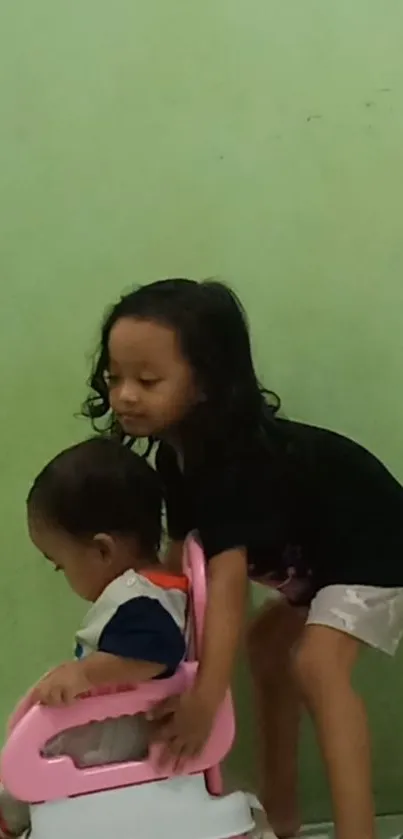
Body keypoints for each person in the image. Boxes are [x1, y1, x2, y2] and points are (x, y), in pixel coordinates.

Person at [83, 277, 403, 839]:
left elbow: (227, 588)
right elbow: (180, 571)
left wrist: (207, 695)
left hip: (377, 544)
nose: (125, 395)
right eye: (115, 379)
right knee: (265, 646)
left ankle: (359, 833)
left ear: (206, 384)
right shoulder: (176, 457)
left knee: (318, 665)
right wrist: (157, 658)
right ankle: (282, 814)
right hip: (319, 567)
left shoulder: (231, 464)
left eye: (148, 380)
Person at [0, 437, 188, 838]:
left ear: (103, 550)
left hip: (115, 739)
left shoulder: (138, 598)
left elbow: (160, 652)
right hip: (111, 729)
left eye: (59, 565)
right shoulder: (153, 590)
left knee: (26, 777)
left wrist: (84, 676)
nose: (63, 576)